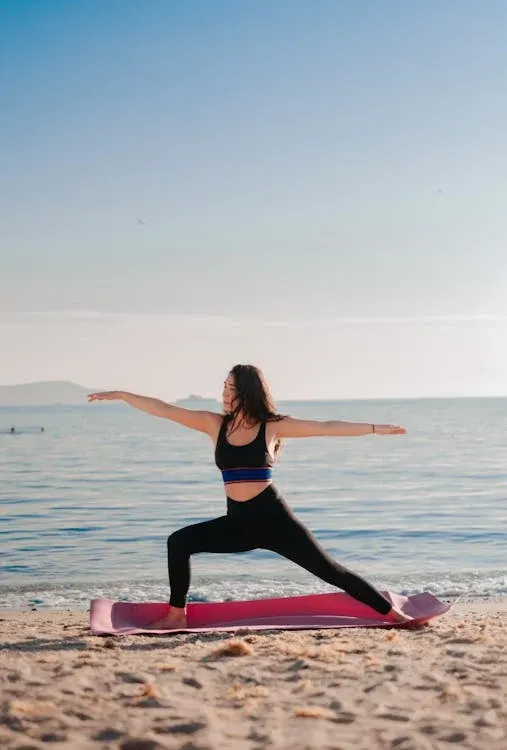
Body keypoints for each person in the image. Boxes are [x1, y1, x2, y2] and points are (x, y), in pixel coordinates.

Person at [88, 364, 412, 628]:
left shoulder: (271, 427)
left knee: (331, 571)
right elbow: (164, 410)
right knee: (179, 542)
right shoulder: (214, 425)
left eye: (232, 390)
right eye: (224, 389)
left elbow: (326, 426)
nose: (225, 396)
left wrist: (374, 428)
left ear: (248, 393)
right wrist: (121, 395)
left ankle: (393, 615)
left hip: (275, 521)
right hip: (237, 523)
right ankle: (177, 615)